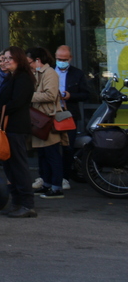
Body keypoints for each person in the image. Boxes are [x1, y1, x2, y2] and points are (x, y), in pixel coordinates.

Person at [0, 46, 37, 218]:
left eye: (8, 58)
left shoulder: (23, 78)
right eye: (4, 58)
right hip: (8, 127)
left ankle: (27, 204)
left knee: (18, 165)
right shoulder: (10, 77)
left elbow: (17, 102)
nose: (5, 61)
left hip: (16, 127)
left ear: (18, 59)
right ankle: (17, 202)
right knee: (10, 166)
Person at [27, 47, 65, 199]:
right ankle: (47, 184)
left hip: (48, 119)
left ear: (38, 60)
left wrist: (28, 96)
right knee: (43, 154)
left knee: (52, 154)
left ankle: (56, 187)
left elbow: (50, 94)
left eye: (29, 61)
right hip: (39, 120)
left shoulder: (49, 73)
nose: (27, 64)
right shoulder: (36, 73)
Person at [55, 44, 92, 182]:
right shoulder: (50, 72)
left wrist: (71, 96)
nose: (61, 62)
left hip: (68, 114)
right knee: (48, 147)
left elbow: (85, 94)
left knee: (68, 147)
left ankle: (65, 176)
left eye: (64, 59)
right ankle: (48, 176)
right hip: (50, 113)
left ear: (70, 58)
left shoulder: (77, 73)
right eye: (59, 59)